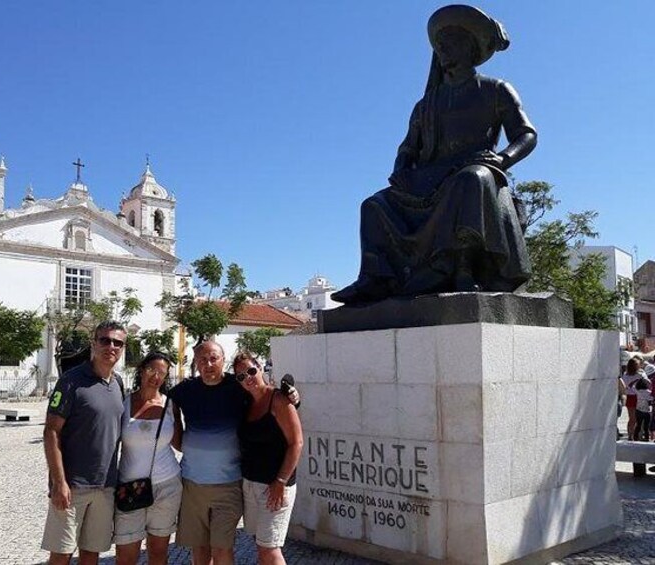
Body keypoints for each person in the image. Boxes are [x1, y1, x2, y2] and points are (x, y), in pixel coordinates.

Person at [334, 5, 536, 303]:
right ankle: (376, 277)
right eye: (438, 44)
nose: (440, 49)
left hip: (473, 169)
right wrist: (401, 167)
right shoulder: (425, 104)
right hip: (428, 178)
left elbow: (526, 134)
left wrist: (504, 159)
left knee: (471, 180)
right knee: (374, 204)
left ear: (469, 46)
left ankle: (461, 267)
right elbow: (408, 147)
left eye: (448, 42)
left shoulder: (496, 90)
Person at [168, 341, 299, 565]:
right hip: (194, 485)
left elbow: (271, 402)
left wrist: (293, 396)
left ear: (222, 360)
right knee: (200, 550)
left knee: (225, 549)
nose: (208, 364)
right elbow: (171, 420)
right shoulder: (182, 391)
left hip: (230, 485)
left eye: (214, 358)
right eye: (203, 359)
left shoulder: (237, 386)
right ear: (195, 362)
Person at [41, 321, 128, 565]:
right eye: (105, 340)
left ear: (123, 348)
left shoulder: (118, 383)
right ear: (94, 343)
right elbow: (51, 432)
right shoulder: (71, 381)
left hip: (106, 486)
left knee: (92, 554)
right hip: (73, 486)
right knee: (61, 554)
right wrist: (59, 483)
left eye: (117, 343)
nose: (111, 346)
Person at [232, 353, 302, 565]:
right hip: (250, 484)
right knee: (260, 543)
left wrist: (281, 481)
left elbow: (296, 443)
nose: (248, 378)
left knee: (269, 549)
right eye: (241, 376)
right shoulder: (245, 402)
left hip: (275, 486)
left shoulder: (278, 399)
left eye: (251, 371)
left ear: (260, 367)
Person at [114, 352, 183, 565]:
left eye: (162, 373)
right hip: (129, 487)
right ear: (142, 370)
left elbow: (180, 444)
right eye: (152, 370)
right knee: (126, 555)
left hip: (166, 485)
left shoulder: (170, 405)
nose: (156, 376)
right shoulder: (123, 403)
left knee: (158, 551)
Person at [621, 359, 643, 440]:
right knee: (634, 417)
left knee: (633, 417)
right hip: (634, 397)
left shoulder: (626, 375)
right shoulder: (638, 376)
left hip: (633, 397)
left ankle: (632, 434)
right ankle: (631, 435)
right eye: (637, 365)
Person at [633, 375, 652, 442]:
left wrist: (635, 380)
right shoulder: (649, 392)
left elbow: (630, 386)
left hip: (638, 410)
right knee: (646, 427)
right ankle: (647, 438)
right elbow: (652, 398)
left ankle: (635, 438)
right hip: (647, 411)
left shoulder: (638, 391)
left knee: (638, 425)